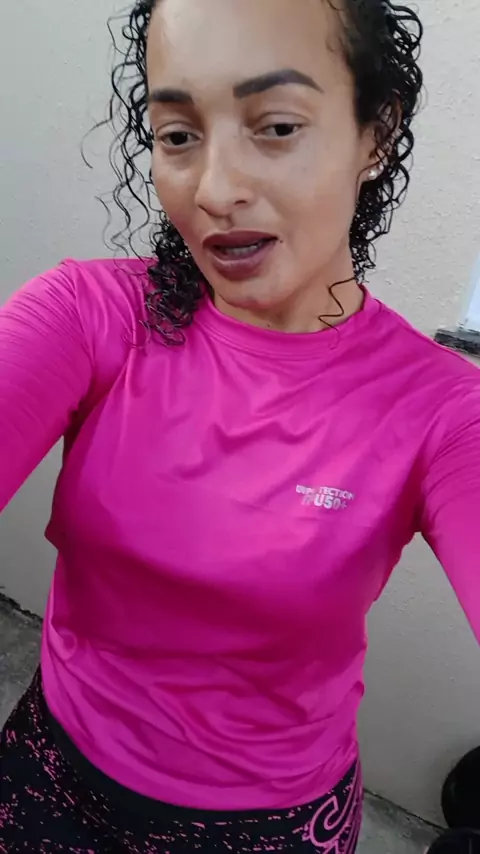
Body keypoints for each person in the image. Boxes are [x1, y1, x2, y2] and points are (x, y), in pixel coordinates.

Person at [0, 0, 478, 851]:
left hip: (270, 826)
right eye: (178, 135)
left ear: (376, 134)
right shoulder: (88, 315)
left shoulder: (442, 413)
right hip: (50, 769)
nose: (214, 190)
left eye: (277, 126)